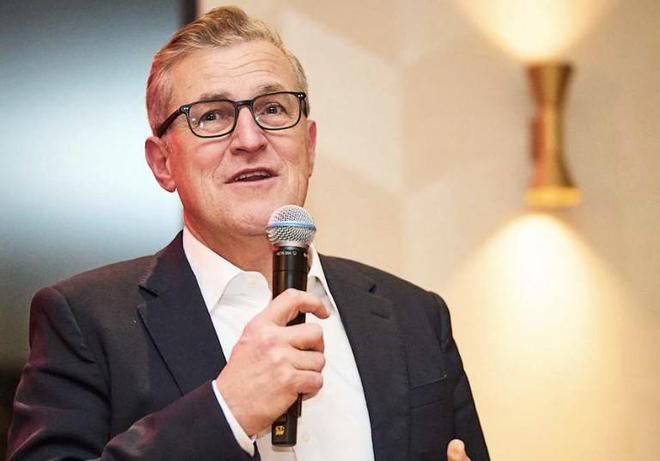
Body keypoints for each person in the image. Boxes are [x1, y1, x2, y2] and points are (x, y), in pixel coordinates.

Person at [7, 6, 489, 461]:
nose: (250, 139)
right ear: (162, 163)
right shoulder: (84, 320)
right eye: (212, 116)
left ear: (310, 145)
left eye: (273, 109)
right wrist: (227, 411)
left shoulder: (415, 316)